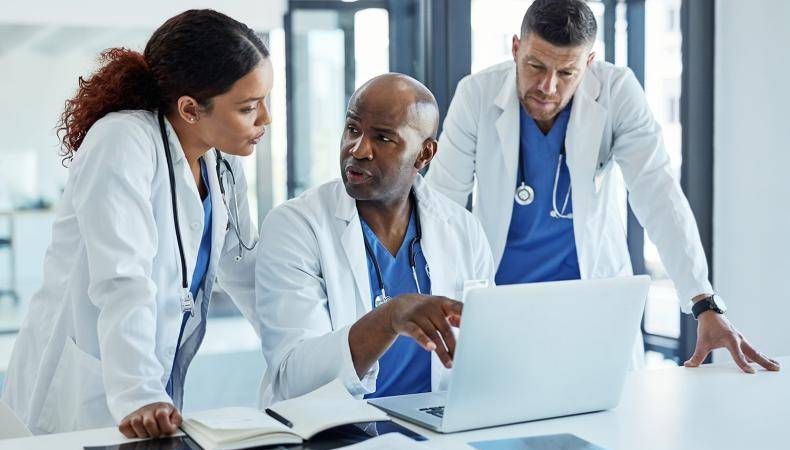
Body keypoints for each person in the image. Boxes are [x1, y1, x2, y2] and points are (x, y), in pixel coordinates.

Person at [426, 0, 779, 372]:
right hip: (502, 305)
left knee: (607, 425)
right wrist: (424, 299)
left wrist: (703, 302)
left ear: (589, 63)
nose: (548, 86)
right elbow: (440, 205)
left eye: (566, 72)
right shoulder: (477, 95)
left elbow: (658, 193)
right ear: (516, 48)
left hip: (592, 306)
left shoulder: (616, 91)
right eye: (535, 66)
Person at [2, 9, 271, 437]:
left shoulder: (221, 163)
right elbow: (121, 278)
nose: (265, 120)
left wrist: (306, 350)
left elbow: (246, 270)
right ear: (190, 108)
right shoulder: (122, 141)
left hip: (151, 384)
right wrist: (139, 392)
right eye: (249, 107)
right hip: (89, 383)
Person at [255, 73, 495, 404]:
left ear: (424, 154)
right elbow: (293, 377)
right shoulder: (296, 225)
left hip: (432, 430)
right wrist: (389, 318)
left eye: (383, 138)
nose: (358, 149)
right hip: (335, 434)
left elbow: (483, 352)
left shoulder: (463, 230)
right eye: (353, 129)